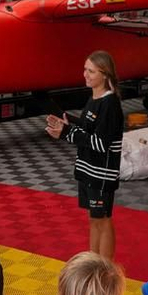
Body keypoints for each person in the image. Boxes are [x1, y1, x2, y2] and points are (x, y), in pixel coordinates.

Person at [46, 50, 126, 261]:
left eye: (91, 71)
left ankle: (105, 268)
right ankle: (93, 261)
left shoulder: (110, 104)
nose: (85, 75)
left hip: (101, 173)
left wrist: (66, 133)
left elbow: (100, 143)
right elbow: (88, 128)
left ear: (105, 74)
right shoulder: (94, 99)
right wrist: (68, 123)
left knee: (104, 219)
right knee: (94, 218)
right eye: (85, 69)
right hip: (87, 169)